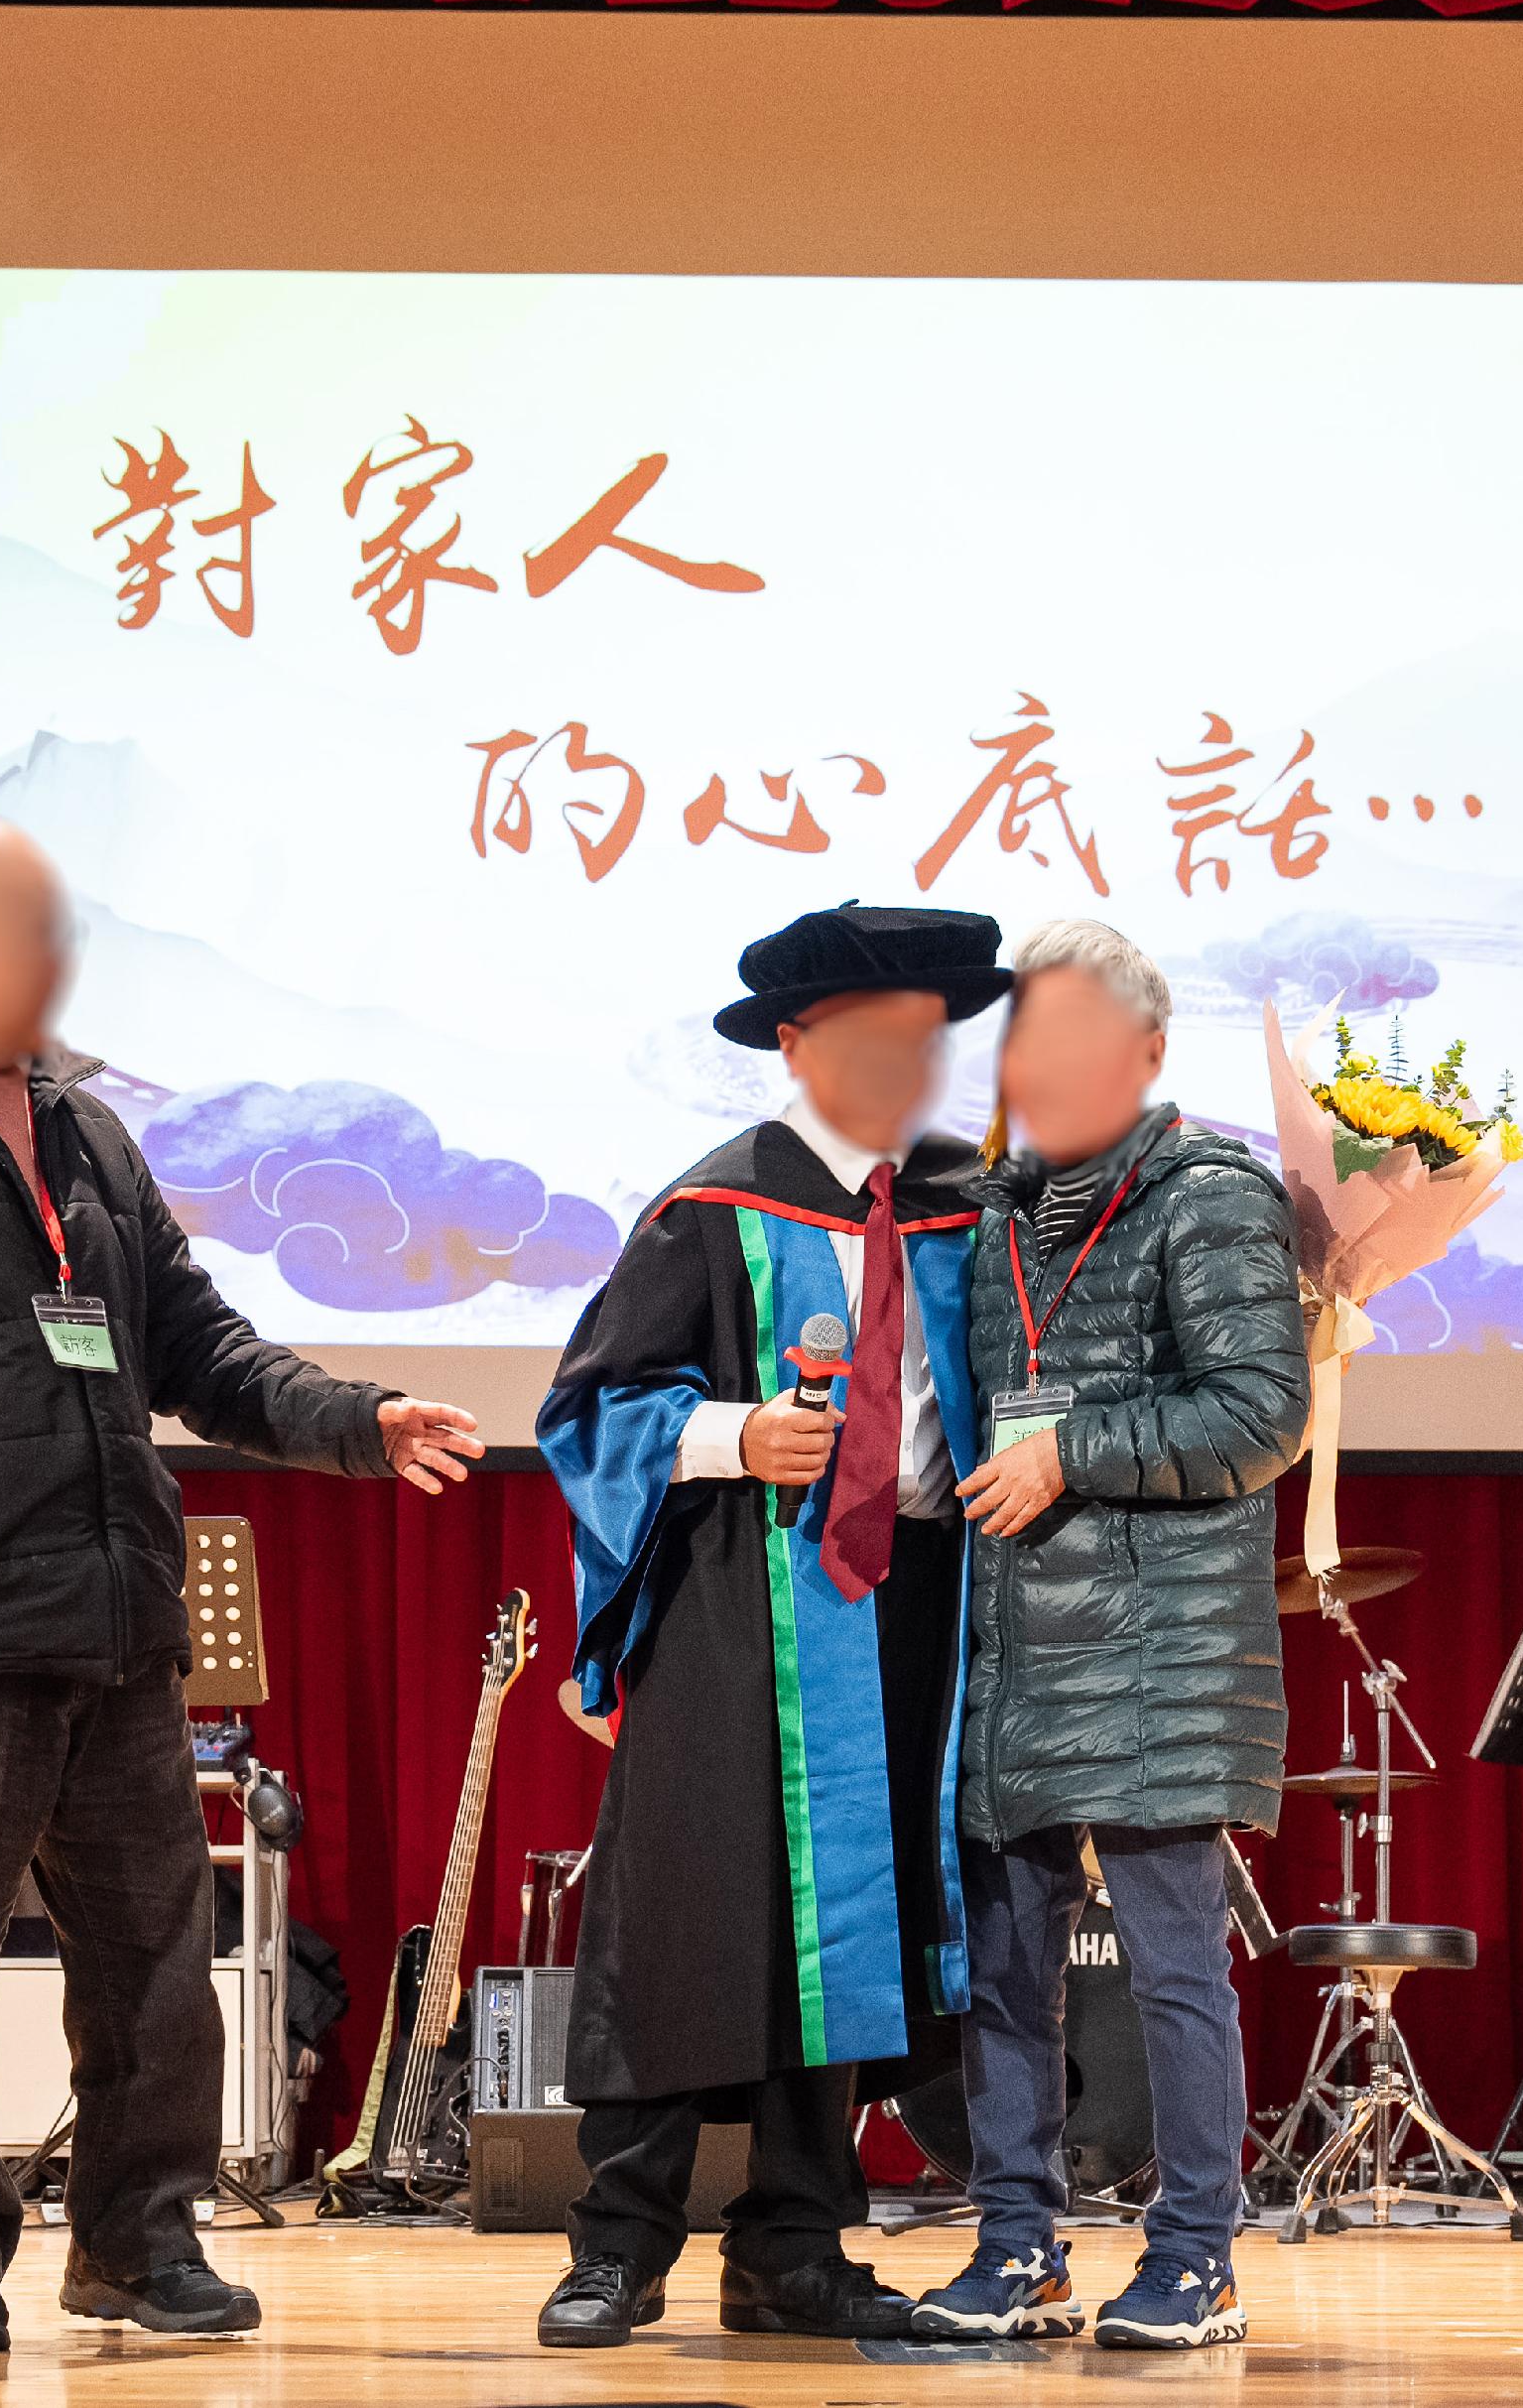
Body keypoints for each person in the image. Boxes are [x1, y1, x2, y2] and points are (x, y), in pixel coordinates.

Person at [0, 814, 485, 2355]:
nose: (59, 966)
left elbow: (196, 1351)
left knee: (154, 1966)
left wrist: (356, 1421)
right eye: (29, 934)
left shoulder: (86, 1134)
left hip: (120, 1628)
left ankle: (141, 2244)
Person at [528, 902, 1011, 2351]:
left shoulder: (967, 1205)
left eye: (928, 1037)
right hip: (749, 1598)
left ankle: (795, 2246)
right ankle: (617, 2247)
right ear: (796, 1046)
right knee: (692, 1912)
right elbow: (589, 1412)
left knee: (858, 1932)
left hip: (916, 1599)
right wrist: (738, 1435)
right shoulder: (715, 1206)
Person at [909, 917, 1312, 2352]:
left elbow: (1263, 1412)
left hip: (1160, 1652)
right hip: (1015, 1644)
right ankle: (1016, 2246)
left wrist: (1069, 1446)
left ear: (1144, 1055)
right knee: (1006, 1978)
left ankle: (1196, 2255)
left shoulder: (1212, 1196)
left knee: (1171, 1972)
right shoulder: (993, 1208)